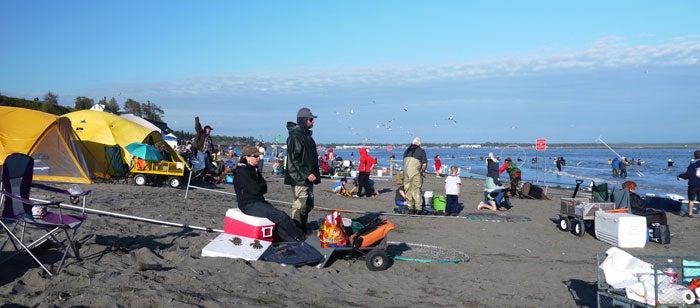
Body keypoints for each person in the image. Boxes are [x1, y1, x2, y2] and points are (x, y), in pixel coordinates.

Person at [233, 146, 306, 242]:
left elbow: (264, 187)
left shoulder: (253, 169)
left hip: (258, 201)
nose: (258, 158)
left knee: (279, 218)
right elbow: (256, 190)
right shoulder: (242, 171)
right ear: (247, 157)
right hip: (249, 204)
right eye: (255, 156)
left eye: (258, 156)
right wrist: (260, 186)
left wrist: (260, 186)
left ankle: (291, 241)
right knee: (281, 216)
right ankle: (301, 236)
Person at [284, 107, 321, 231]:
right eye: (311, 119)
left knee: (308, 204)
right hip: (299, 177)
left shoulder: (306, 136)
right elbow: (294, 159)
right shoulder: (295, 136)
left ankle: (302, 227)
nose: (313, 122)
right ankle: (295, 229)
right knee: (301, 204)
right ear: (304, 120)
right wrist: (306, 174)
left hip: (307, 177)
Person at [403, 137, 428, 215]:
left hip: (406, 173)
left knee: (408, 190)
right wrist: (423, 171)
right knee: (416, 190)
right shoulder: (421, 151)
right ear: (419, 144)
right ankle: (418, 209)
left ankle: (410, 208)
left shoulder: (406, 151)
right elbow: (424, 164)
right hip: (415, 173)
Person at [677, 150, 700, 218]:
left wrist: (679, 176)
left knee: (691, 199)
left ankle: (690, 213)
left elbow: (688, 175)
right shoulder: (693, 164)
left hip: (693, 184)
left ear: (694, 156)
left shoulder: (692, 164)